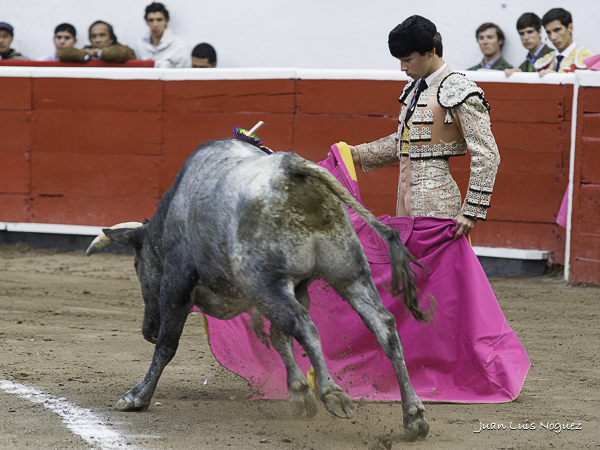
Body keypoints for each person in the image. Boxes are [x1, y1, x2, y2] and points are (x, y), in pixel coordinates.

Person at [201, 15, 529, 405]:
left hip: (439, 211)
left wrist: (471, 210)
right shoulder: (416, 91)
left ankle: (455, 368)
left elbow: (487, 154)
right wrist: (342, 159)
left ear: (430, 52)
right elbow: (398, 146)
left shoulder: (460, 90)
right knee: (408, 297)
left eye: (408, 59)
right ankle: (417, 365)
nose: (402, 67)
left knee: (436, 299)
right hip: (409, 207)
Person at [538, 8, 595, 75]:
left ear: (570, 28)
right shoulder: (545, 62)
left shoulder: (589, 60)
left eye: (557, 30)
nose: (553, 37)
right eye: (548, 32)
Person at [136, 2, 191, 68]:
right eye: (151, 20)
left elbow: (184, 74)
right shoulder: (140, 45)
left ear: (167, 20)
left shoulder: (179, 46)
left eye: (159, 20)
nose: (155, 25)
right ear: (146, 22)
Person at [58, 21, 135, 63]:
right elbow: (63, 53)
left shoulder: (121, 49)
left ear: (112, 39)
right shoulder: (87, 50)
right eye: (93, 36)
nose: (97, 40)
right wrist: (87, 57)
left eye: (102, 35)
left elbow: (125, 54)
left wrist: (96, 53)